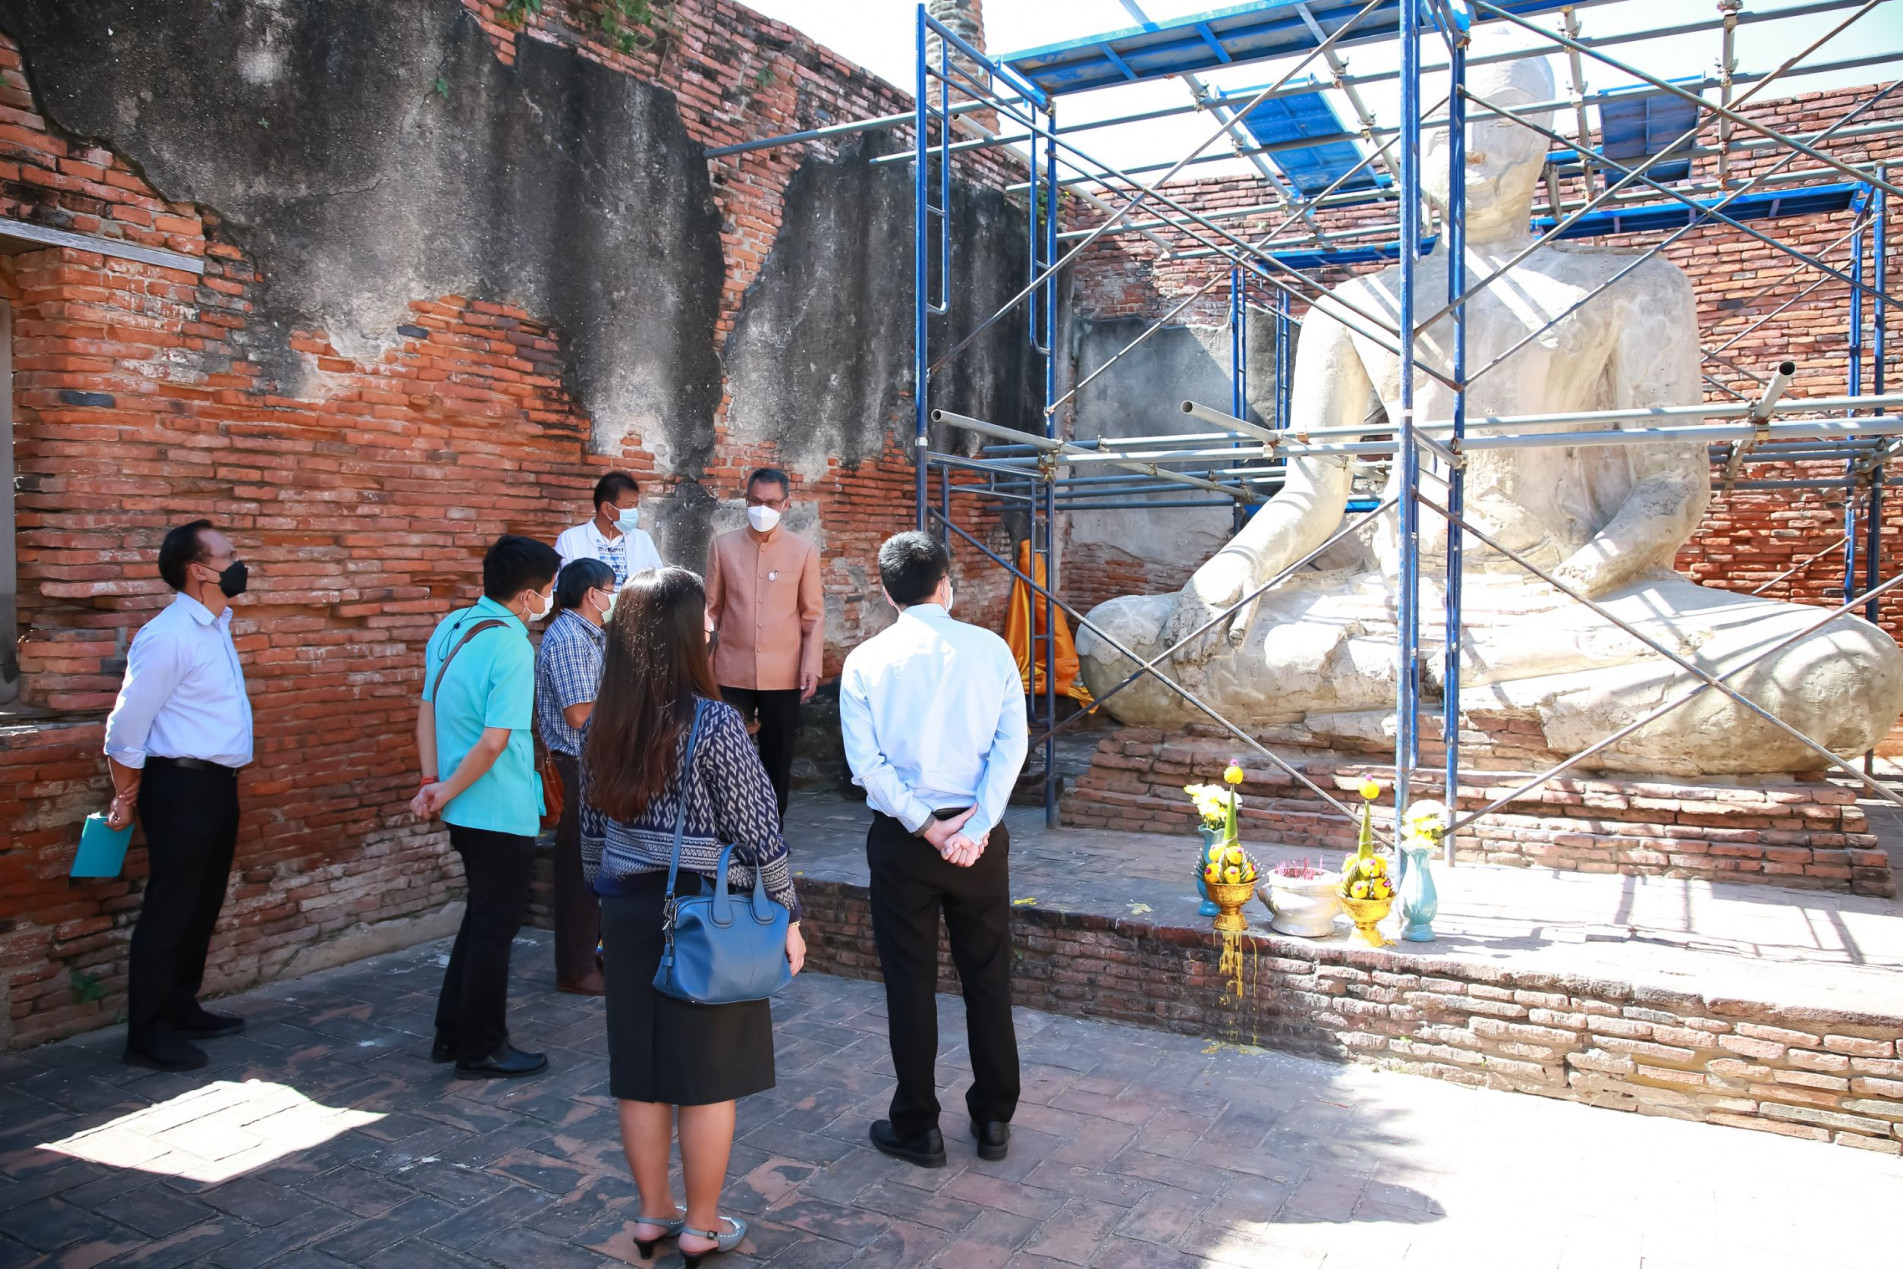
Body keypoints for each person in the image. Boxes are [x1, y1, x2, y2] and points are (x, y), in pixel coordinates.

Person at [581, 565, 806, 1266]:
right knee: (706, 1077)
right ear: (684, 634)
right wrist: (789, 913)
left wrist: (606, 900)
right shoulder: (713, 723)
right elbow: (761, 829)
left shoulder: (604, 719)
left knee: (640, 1071)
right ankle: (702, 1224)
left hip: (625, 907)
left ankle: (653, 1213)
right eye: (703, 619)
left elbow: (591, 831)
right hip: (704, 915)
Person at [839, 531, 1028, 1168]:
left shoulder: (865, 660)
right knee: (988, 976)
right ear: (945, 584)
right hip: (979, 834)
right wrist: (974, 828)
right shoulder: (992, 648)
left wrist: (925, 825)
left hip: (904, 841)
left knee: (910, 985)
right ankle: (995, 1117)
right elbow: (1012, 747)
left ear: (888, 593)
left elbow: (866, 765)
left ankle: (918, 1125)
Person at [102, 520, 254, 1072]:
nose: (239, 563)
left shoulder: (216, 625)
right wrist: (126, 795)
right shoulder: (168, 635)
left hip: (216, 784)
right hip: (180, 786)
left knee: (203, 902)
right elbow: (126, 726)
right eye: (229, 555)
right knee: (170, 910)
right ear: (199, 569)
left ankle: (180, 1006)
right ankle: (147, 1035)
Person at [412, 533, 562, 1080]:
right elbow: (497, 739)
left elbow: (426, 710)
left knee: (481, 919)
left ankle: (453, 1033)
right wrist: (445, 788)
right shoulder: (512, 644)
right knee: (494, 928)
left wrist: (434, 781)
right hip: (498, 808)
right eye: (547, 590)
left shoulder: (451, 625)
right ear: (527, 596)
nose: (548, 600)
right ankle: (481, 1045)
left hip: (461, 803)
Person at [704, 468, 822, 819]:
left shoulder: (802, 551)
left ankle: (772, 830)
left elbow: (812, 615)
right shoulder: (722, 547)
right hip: (729, 671)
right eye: (755, 501)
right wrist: (702, 666)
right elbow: (710, 610)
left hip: (783, 673)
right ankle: (728, 826)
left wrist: (810, 666)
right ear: (746, 501)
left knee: (777, 755)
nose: (762, 508)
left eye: (771, 502)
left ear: (786, 504)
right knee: (724, 755)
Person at [534, 557, 615, 996]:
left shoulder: (591, 635)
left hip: (593, 767)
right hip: (574, 766)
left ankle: (595, 956)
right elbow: (580, 713)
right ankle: (576, 969)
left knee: (596, 870)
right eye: (611, 588)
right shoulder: (568, 638)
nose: (614, 597)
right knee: (577, 875)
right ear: (592, 594)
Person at [555, 470, 664, 587]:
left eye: (635, 505)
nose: (634, 512)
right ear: (607, 508)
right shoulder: (570, 540)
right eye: (628, 506)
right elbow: (560, 591)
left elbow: (658, 585)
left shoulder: (642, 539)